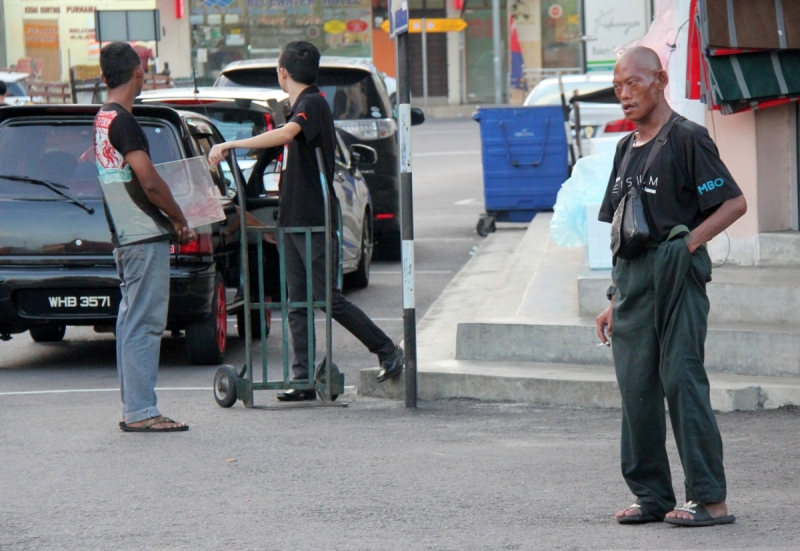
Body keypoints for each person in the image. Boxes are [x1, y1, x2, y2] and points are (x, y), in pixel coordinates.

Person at [595, 46, 747, 527]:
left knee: (681, 381)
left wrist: (687, 247)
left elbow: (733, 203)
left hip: (677, 275)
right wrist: (614, 299)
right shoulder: (625, 149)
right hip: (634, 282)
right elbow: (619, 230)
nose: (624, 95)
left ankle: (710, 499)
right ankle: (652, 495)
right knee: (636, 389)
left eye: (633, 84)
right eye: (618, 87)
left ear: (660, 80)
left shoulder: (688, 139)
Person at [209, 41, 404, 401]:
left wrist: (230, 146)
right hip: (294, 219)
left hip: (314, 219)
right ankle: (302, 380)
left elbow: (285, 135)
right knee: (296, 302)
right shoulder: (299, 104)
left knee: (327, 299)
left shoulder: (311, 103)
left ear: (283, 72)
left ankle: (387, 349)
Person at [94, 42, 195, 431]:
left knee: (131, 321)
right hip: (142, 232)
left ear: (104, 77)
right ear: (138, 74)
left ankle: (134, 406)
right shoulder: (124, 121)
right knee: (145, 323)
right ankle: (141, 411)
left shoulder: (102, 118)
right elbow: (149, 181)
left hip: (125, 233)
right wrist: (179, 216)